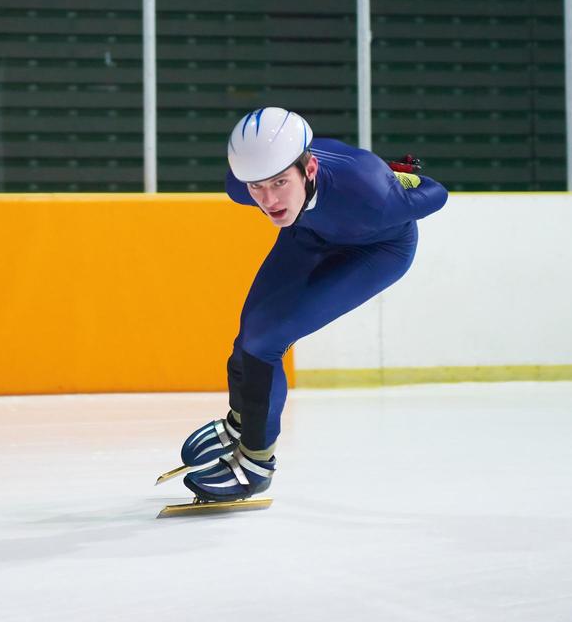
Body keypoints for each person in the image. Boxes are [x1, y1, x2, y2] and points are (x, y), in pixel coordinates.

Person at [178, 106, 449, 502]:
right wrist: (271, 190)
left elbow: (436, 193)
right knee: (250, 334)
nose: (267, 200)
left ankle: (255, 464)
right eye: (257, 187)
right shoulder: (243, 186)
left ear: (309, 169)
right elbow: (267, 190)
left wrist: (402, 179)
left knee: (265, 341)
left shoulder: (371, 194)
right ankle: (242, 421)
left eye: (278, 183)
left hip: (377, 248)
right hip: (309, 233)